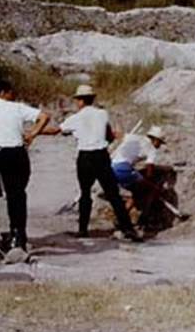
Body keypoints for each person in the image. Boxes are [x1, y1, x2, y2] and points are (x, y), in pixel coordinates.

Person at [0, 78, 51, 259]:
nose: (13, 95)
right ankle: (18, 236)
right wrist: (32, 134)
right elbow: (44, 117)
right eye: (11, 92)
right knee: (16, 194)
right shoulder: (17, 108)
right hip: (14, 153)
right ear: (4, 92)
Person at [48, 85, 140, 241]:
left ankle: (83, 230)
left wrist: (34, 132)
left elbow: (57, 130)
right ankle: (128, 229)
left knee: (85, 193)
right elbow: (109, 135)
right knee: (113, 194)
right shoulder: (102, 114)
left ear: (80, 101)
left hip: (85, 157)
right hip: (101, 156)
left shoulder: (75, 118)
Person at [111, 125, 167, 225]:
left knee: (136, 190)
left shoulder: (134, 137)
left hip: (110, 167)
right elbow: (149, 167)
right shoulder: (151, 149)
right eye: (159, 143)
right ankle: (124, 218)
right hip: (123, 168)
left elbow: (116, 134)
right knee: (142, 191)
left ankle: (120, 216)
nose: (159, 146)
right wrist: (151, 184)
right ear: (155, 139)